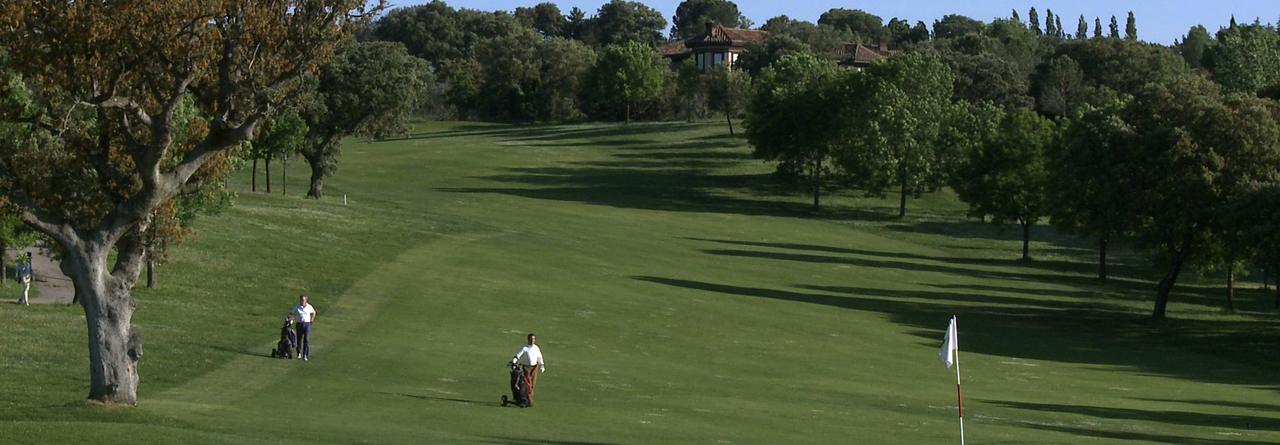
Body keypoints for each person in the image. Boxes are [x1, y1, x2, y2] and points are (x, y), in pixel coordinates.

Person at [510, 333, 545, 405]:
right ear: (528, 339)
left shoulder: (536, 348)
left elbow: (539, 357)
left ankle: (529, 399)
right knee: (528, 383)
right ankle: (529, 401)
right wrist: (514, 361)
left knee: (533, 384)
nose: (532, 340)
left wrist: (542, 365)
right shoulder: (525, 348)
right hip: (527, 368)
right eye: (531, 339)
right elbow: (518, 355)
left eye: (534, 339)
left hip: (534, 368)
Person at [292, 295, 317, 360]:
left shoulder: (309, 307)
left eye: (303, 300)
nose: (302, 301)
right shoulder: (297, 306)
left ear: (306, 300)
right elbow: (291, 312)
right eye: (301, 300)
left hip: (307, 324)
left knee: (306, 340)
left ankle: (305, 355)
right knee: (299, 339)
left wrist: (312, 320)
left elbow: (314, 312)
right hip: (299, 324)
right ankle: (299, 352)